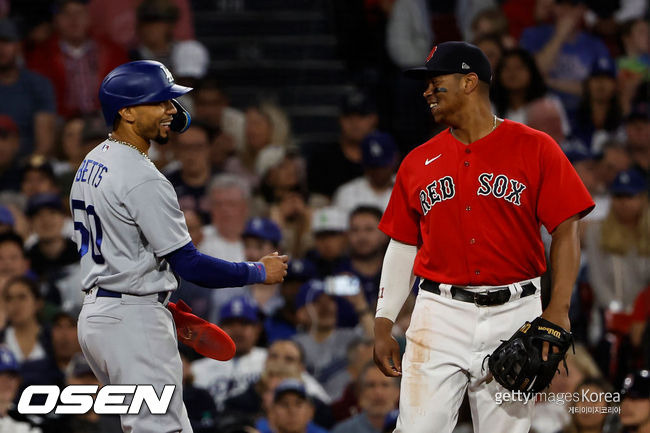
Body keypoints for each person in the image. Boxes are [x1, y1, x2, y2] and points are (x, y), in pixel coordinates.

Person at [373, 41, 594, 433]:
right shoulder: (416, 161)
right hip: (438, 313)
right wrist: (383, 321)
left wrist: (558, 308)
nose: (426, 92)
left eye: (435, 82)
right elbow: (404, 244)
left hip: (516, 313)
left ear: (469, 82)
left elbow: (567, 226)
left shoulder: (535, 147)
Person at [72, 60, 287, 432]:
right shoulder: (143, 178)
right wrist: (257, 271)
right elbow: (190, 264)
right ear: (126, 111)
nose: (173, 110)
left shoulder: (92, 162)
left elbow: (123, 248)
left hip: (101, 317)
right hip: (131, 320)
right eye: (161, 102)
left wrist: (157, 296)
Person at [331, 361, 399, 433]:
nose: (378, 392)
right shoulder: (342, 431)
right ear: (360, 393)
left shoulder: (410, 427)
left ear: (398, 391)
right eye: (371, 385)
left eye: (385, 385)